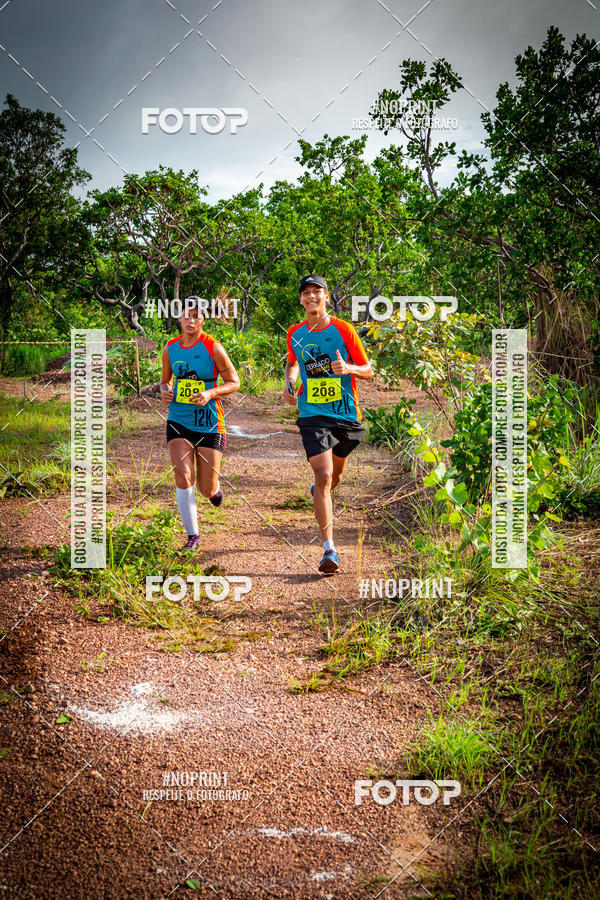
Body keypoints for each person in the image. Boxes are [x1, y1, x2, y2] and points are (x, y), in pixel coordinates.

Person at [284, 275, 373, 574]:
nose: (311, 298)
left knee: (334, 478)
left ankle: (321, 491)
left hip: (346, 414)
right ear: (301, 299)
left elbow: (369, 370)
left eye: (316, 292)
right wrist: (290, 381)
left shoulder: (344, 329)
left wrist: (349, 368)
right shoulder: (295, 332)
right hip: (311, 414)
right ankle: (329, 550)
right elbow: (293, 361)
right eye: (306, 293)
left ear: (326, 296)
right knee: (323, 475)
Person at [160, 297, 240, 551]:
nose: (190, 320)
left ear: (203, 320)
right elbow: (164, 381)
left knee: (206, 487)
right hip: (178, 419)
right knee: (183, 476)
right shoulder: (170, 348)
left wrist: (209, 393)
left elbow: (234, 382)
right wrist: (164, 390)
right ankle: (192, 536)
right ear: (179, 318)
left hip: (209, 423)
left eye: (196, 316)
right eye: (186, 315)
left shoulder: (213, 347)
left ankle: (214, 492)